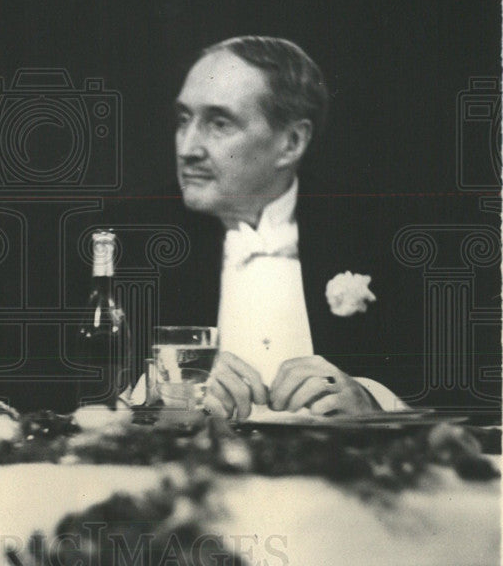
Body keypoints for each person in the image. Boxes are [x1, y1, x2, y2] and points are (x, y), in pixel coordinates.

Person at [151, 36, 414, 419]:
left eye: (219, 123)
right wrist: (162, 387)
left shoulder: (381, 235)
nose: (187, 147)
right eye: (184, 120)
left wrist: (371, 401)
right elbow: (62, 386)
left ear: (291, 142)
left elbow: (470, 387)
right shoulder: (125, 237)